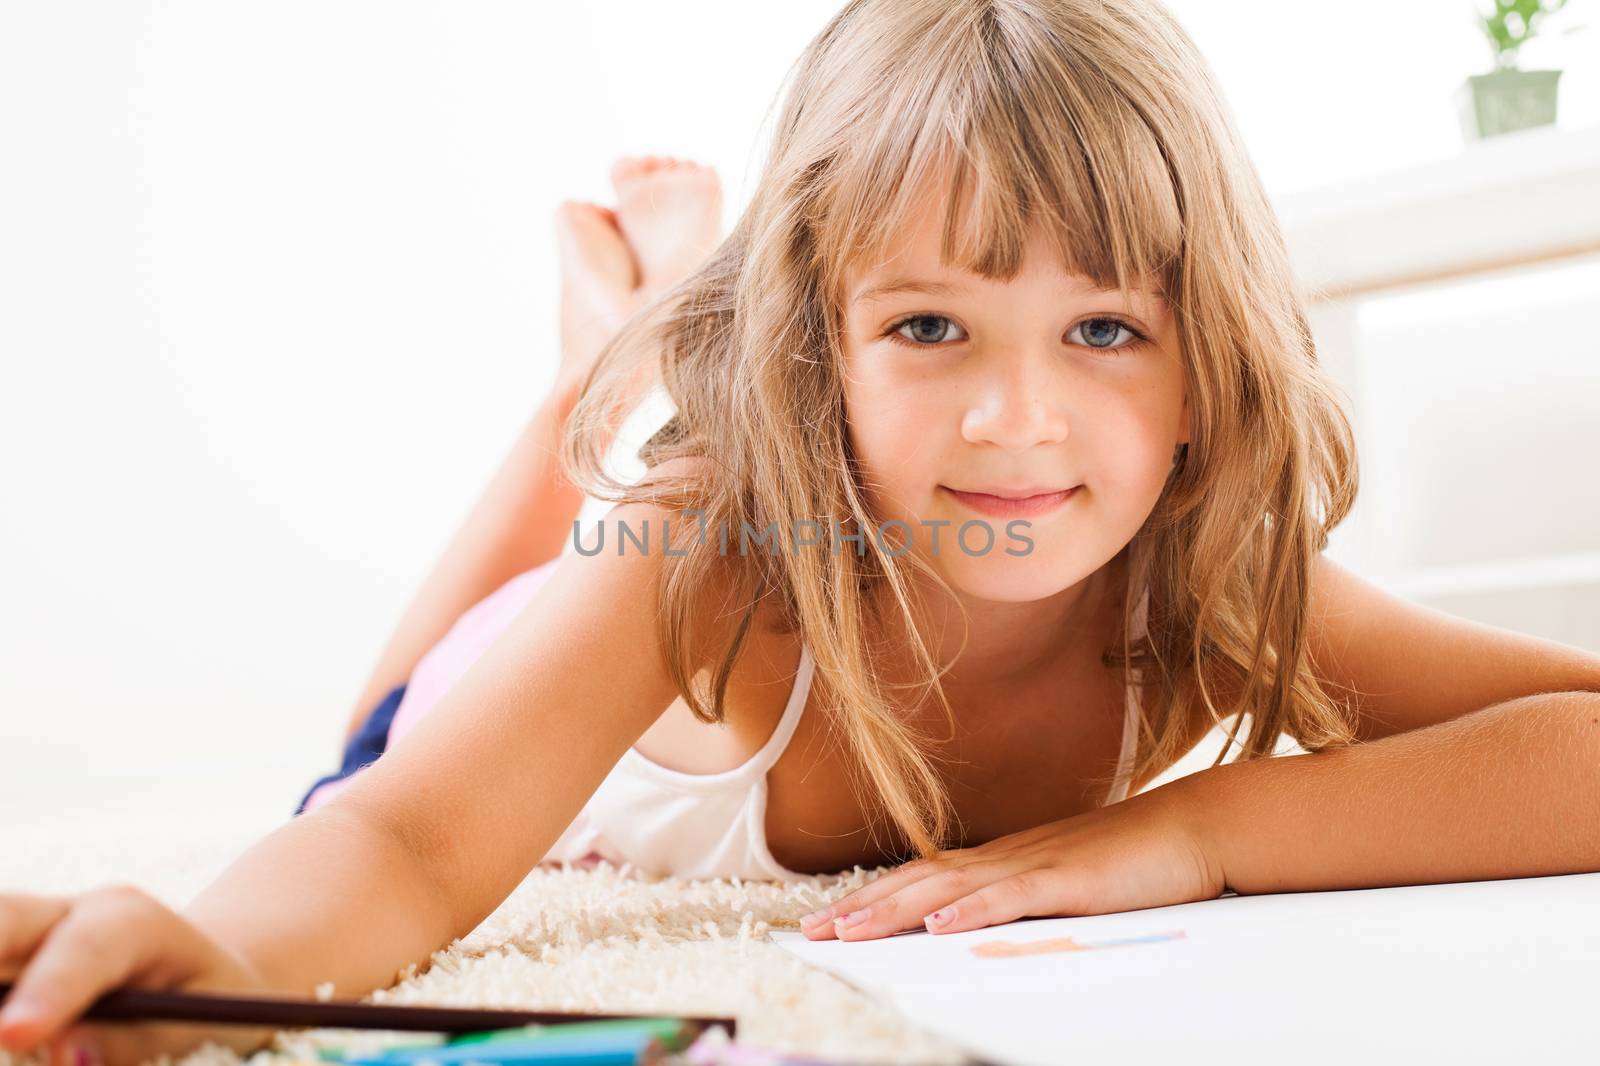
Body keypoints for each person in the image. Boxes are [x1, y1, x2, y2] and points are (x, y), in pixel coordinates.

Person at [6, 3, 1600, 1065]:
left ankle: (633, 336)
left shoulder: (1206, 576)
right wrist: (198, 949)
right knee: (383, 712)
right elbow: (405, 839)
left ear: (1211, 364)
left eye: (1105, 329)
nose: (1017, 419)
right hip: (516, 671)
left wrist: (1199, 830)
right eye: (928, 326)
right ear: (812, 352)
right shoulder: (709, 541)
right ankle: (603, 356)